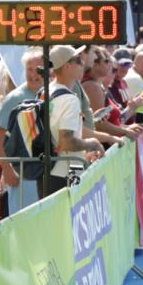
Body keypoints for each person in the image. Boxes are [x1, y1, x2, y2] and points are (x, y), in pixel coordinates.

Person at [47, 45, 104, 195]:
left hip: (49, 169)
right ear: (67, 66)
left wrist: (84, 152)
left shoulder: (46, 91)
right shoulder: (69, 99)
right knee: (68, 218)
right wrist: (93, 143)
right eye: (78, 60)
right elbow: (67, 142)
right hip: (66, 172)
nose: (82, 63)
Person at [0, 48, 43, 214]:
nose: (34, 74)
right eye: (29, 69)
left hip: (47, 173)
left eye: (38, 69)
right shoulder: (14, 98)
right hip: (23, 176)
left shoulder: (53, 95)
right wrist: (6, 169)